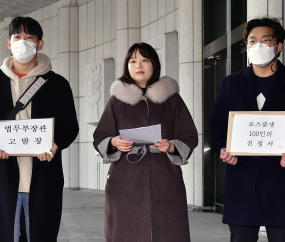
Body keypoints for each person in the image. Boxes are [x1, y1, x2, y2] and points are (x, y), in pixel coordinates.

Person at [93, 42, 198, 242]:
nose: (138, 65)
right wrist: (115, 142)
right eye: (133, 61)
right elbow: (100, 136)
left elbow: (189, 135)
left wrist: (171, 146)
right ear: (127, 66)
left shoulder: (172, 99)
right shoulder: (117, 101)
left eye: (144, 60)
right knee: (125, 231)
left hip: (165, 178)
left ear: (154, 64)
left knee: (169, 230)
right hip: (125, 179)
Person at [0, 17, 79, 242]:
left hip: (44, 179)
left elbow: (69, 126)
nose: (22, 43)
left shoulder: (57, 84)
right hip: (5, 180)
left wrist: (56, 143)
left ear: (39, 44)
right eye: (17, 37)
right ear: (9, 43)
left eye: (29, 38)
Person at [210, 18, 285, 242]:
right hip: (242, 179)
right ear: (246, 46)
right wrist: (224, 148)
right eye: (252, 41)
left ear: (278, 46)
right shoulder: (231, 84)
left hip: (280, 179)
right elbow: (217, 123)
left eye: (265, 40)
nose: (258, 45)